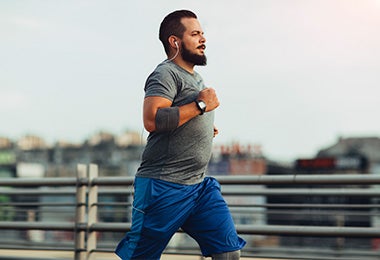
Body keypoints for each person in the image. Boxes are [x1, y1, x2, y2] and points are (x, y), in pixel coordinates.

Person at [115, 10, 246, 260]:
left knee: (228, 252)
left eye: (202, 34)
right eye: (195, 34)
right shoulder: (166, 73)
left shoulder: (196, 78)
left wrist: (205, 127)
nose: (203, 39)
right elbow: (152, 119)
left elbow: (183, 115)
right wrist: (200, 107)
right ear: (175, 41)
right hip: (163, 186)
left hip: (199, 187)